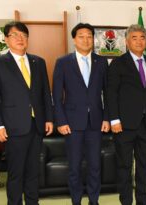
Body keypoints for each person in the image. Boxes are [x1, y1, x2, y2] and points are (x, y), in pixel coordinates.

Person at [0, 21, 53, 205]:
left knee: (33, 172)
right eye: (15, 35)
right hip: (13, 127)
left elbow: (45, 93)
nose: (20, 38)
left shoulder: (38, 62)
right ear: (6, 39)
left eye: (23, 35)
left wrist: (49, 118)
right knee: (16, 174)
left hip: (36, 126)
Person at [52, 23, 110, 205]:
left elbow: (107, 93)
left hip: (96, 123)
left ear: (93, 39)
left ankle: (94, 201)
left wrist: (107, 117)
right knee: (74, 168)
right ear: (74, 39)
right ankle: (76, 201)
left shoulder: (101, 61)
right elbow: (56, 94)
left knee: (95, 167)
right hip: (72, 124)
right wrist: (60, 121)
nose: (86, 40)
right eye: (81, 36)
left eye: (89, 36)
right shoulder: (63, 62)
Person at [107, 24, 146, 205]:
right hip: (124, 125)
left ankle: (143, 201)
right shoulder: (118, 63)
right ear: (127, 42)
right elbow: (111, 93)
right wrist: (114, 119)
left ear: (145, 41)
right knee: (124, 166)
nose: (138, 41)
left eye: (142, 37)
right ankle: (126, 201)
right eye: (134, 38)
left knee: (144, 165)